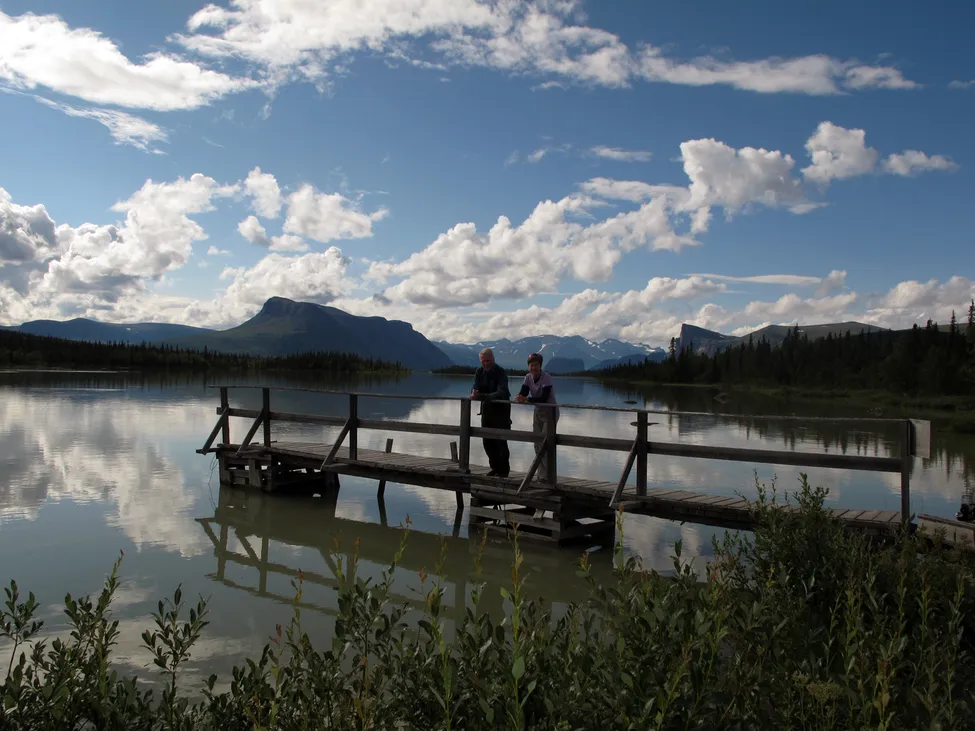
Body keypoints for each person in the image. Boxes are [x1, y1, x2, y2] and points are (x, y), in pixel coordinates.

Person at [514, 352, 559, 482]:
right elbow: (523, 391)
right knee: (536, 443)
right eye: (531, 365)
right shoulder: (528, 377)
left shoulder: (547, 377)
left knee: (546, 444)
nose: (533, 368)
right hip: (538, 412)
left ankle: (549, 476)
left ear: (540, 366)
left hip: (550, 412)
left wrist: (526, 399)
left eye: (536, 365)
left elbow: (544, 398)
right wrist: (519, 396)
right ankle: (541, 476)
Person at [470, 347, 511, 477]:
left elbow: (502, 391)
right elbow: (475, 387)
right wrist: (475, 393)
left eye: (488, 360)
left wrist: (485, 396)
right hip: (486, 411)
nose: (486, 363)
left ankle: (504, 471)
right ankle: (495, 467)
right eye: (483, 361)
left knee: (501, 441)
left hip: (502, 412)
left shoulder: (500, 372)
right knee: (487, 441)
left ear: (493, 359)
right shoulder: (479, 372)